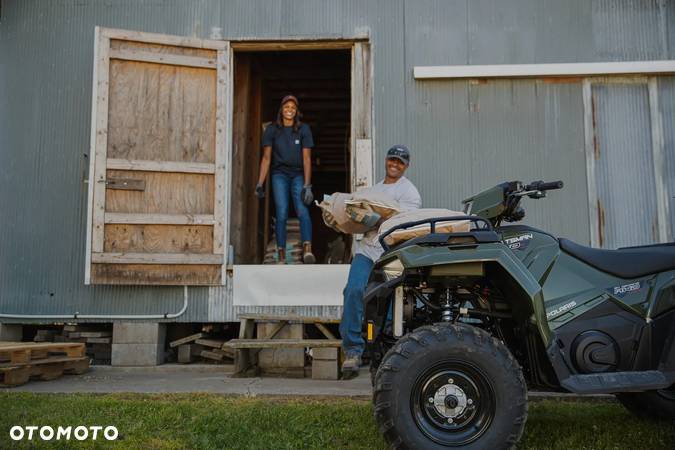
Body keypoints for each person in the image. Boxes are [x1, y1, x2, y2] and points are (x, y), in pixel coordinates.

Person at [340, 144, 421, 376]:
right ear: (386, 160)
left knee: (390, 300)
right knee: (354, 291)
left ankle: (385, 351)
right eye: (392, 160)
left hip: (391, 253)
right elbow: (359, 218)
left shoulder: (410, 193)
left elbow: (404, 223)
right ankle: (353, 350)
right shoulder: (373, 191)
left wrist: (375, 220)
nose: (395, 164)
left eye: (400, 162)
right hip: (367, 250)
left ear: (406, 166)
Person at [256, 95, 315, 264]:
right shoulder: (272, 130)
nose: (289, 110)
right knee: (281, 212)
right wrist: (260, 182)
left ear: (296, 112)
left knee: (302, 210)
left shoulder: (303, 129)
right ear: (281, 110)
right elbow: (266, 158)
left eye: (293, 108)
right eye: (286, 107)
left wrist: (307, 184)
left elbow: (306, 159)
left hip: (298, 175)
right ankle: (281, 255)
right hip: (279, 175)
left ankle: (307, 249)